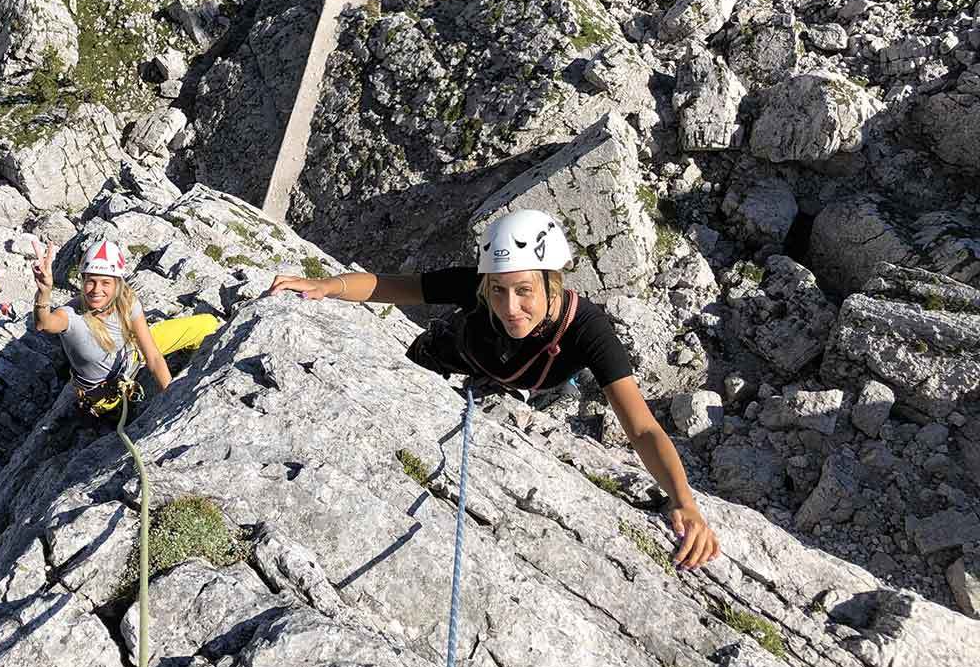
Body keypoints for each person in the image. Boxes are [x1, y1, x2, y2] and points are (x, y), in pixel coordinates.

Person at [267, 209, 721, 571]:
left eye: (524, 290)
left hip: (530, 383)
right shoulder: (476, 288)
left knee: (549, 386)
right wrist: (328, 286)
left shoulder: (590, 332)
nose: (509, 307)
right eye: (498, 291)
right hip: (450, 357)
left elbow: (641, 428)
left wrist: (684, 501)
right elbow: (394, 286)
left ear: (551, 281)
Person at [32, 237, 220, 416]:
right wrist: (44, 291)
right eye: (91, 281)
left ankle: (194, 360)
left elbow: (152, 356)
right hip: (104, 395)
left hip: (133, 356)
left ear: (117, 285)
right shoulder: (71, 316)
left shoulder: (126, 302)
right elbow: (44, 324)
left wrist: (169, 398)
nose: (97, 290)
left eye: (105, 282)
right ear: (83, 281)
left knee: (207, 324)